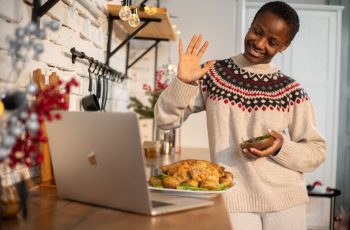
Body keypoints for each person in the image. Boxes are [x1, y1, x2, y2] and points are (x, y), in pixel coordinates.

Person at [154, 1, 326, 230]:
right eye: (257, 31)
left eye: (273, 42)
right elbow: (165, 121)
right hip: (233, 200)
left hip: (286, 202)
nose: (260, 43)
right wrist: (183, 82)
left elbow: (316, 150)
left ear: (284, 46)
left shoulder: (291, 91)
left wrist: (281, 147)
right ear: (251, 25)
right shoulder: (212, 75)